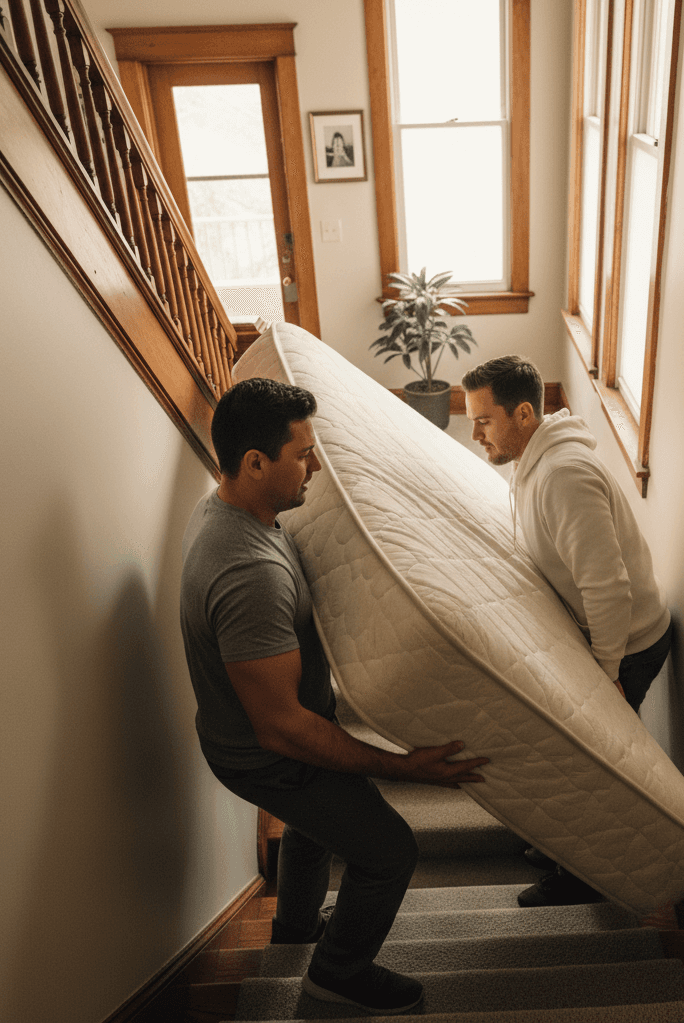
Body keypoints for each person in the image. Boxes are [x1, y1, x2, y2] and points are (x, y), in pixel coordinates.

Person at [180, 377, 488, 1015]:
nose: (314, 464)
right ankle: (336, 976)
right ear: (254, 463)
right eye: (302, 454)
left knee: (313, 829)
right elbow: (284, 730)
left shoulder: (229, 508)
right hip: (263, 752)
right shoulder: (248, 573)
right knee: (389, 851)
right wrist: (406, 769)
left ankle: (295, 927)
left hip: (250, 734)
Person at [462, 355, 672, 908]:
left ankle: (586, 876)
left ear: (524, 413)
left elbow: (608, 589)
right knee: (570, 751)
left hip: (628, 644)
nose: (474, 432)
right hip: (603, 637)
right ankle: (566, 849)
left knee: (591, 763)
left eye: (483, 420)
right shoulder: (534, 464)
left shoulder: (561, 475)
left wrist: (605, 680)